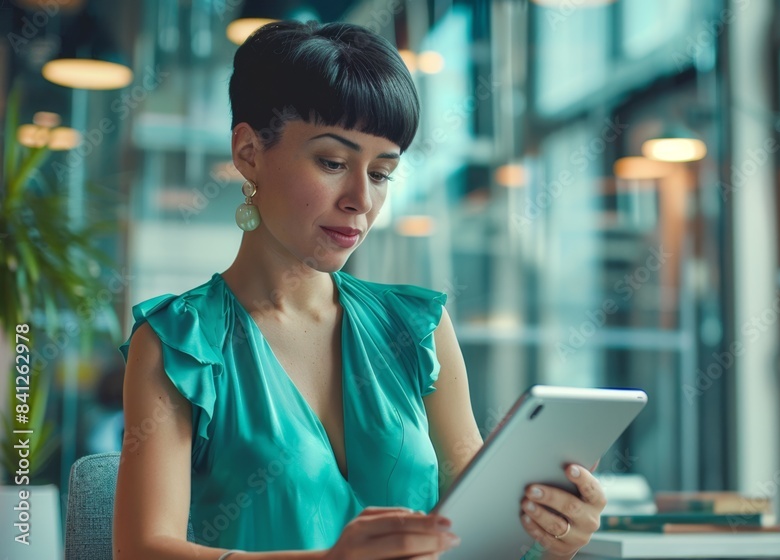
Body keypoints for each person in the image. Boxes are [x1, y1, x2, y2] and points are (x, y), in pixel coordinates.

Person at [112, 20, 607, 560]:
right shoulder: (180, 344)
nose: (360, 200)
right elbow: (141, 550)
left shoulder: (418, 328)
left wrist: (552, 536)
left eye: (381, 173)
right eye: (332, 162)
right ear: (249, 151)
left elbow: (481, 537)